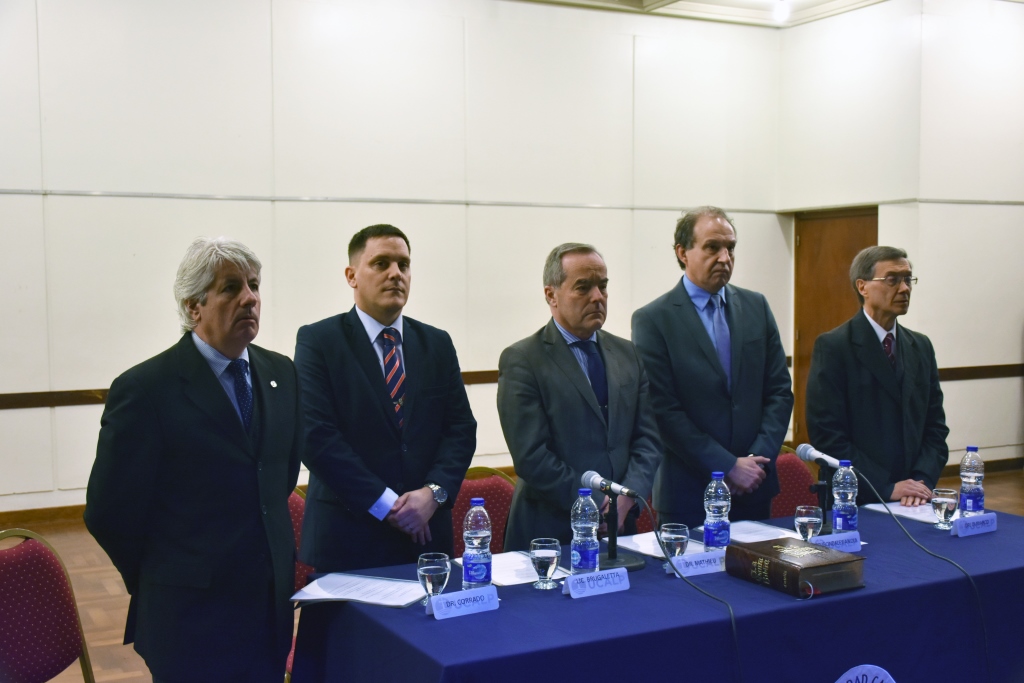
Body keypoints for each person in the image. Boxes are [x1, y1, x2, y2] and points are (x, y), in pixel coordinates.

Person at [84, 238, 302, 682]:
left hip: (267, 608)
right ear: (193, 306)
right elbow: (108, 512)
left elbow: (279, 478)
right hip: (189, 618)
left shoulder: (281, 373)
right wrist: (163, 576)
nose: (249, 298)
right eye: (231, 287)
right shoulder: (146, 389)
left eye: (254, 285)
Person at [295, 224, 476, 572]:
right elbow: (316, 437)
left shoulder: (436, 343)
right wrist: (388, 505)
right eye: (381, 264)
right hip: (349, 539)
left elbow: (461, 430)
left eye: (403, 265)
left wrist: (433, 494)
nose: (395, 274)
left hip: (426, 538)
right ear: (351, 276)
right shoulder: (319, 341)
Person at [632, 207, 793, 528]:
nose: (724, 257)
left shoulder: (756, 306)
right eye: (712, 247)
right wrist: (727, 466)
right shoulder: (653, 319)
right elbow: (663, 410)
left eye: (730, 248)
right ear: (682, 252)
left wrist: (755, 463)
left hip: (754, 488)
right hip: (689, 492)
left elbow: (779, 392)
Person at [498, 243, 661, 551]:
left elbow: (648, 439)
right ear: (551, 295)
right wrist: (595, 502)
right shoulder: (524, 359)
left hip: (619, 527)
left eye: (603, 286)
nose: (597, 296)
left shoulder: (628, 354)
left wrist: (627, 497)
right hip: (549, 531)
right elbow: (531, 456)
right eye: (583, 287)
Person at [806, 246, 948, 507]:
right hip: (857, 497)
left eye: (908, 279)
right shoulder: (835, 346)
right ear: (863, 287)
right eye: (892, 280)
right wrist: (885, 486)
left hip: (915, 497)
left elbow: (935, 426)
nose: (904, 288)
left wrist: (921, 481)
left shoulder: (921, 346)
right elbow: (827, 434)